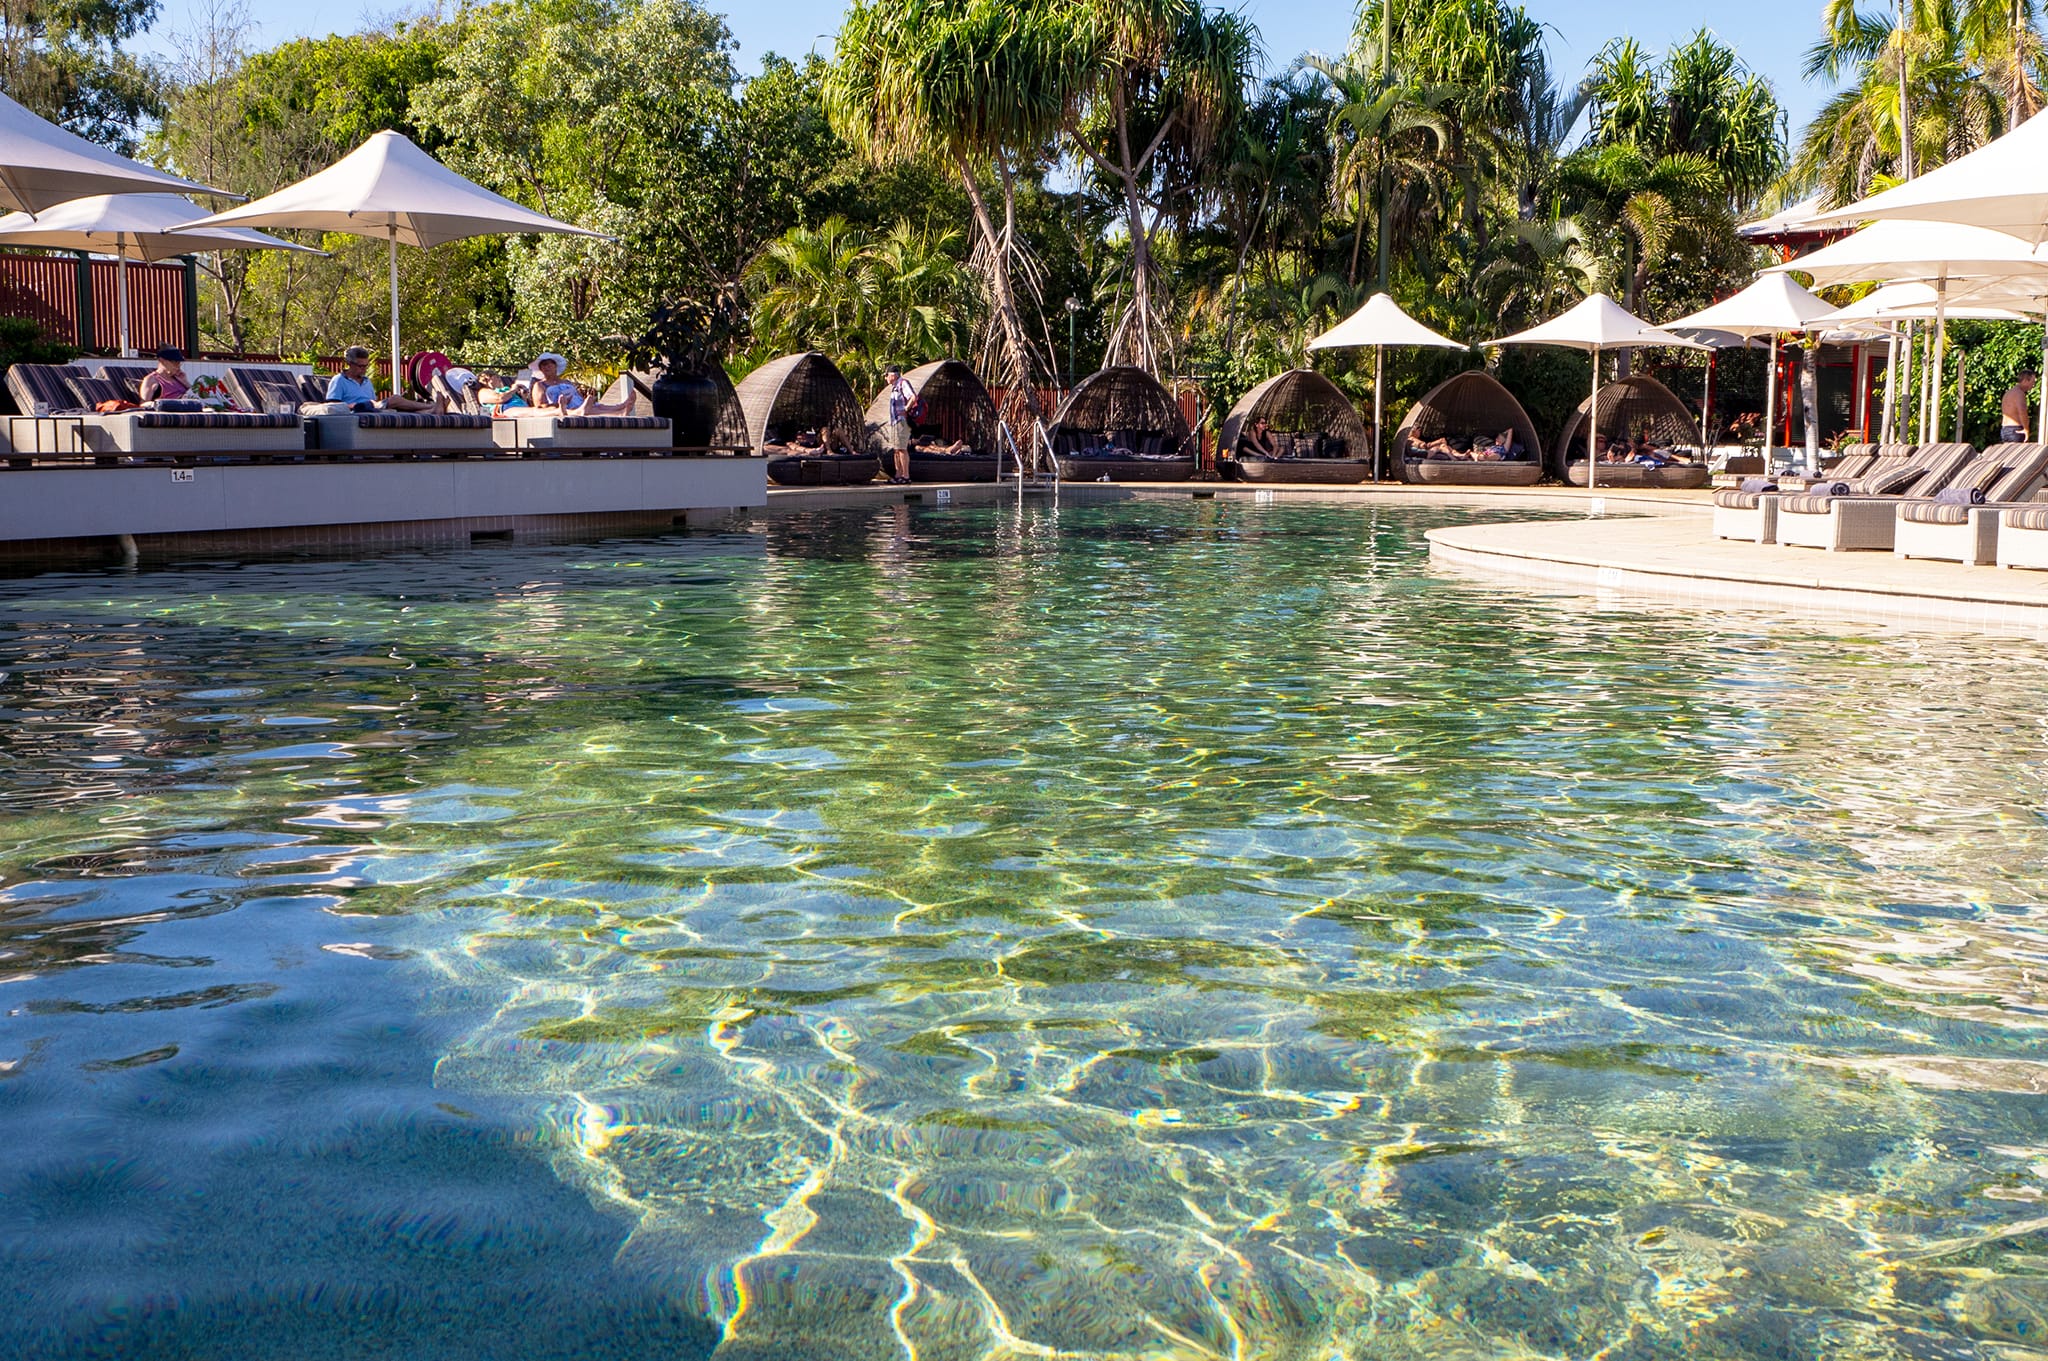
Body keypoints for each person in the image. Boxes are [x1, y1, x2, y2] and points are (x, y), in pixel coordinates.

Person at [327, 346, 438, 412]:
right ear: (349, 363)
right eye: (361, 366)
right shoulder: (339, 381)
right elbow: (332, 407)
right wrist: (357, 406)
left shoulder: (366, 381)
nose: (364, 369)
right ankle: (432, 405)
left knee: (406, 411)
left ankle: (432, 410)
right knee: (395, 399)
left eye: (366, 366)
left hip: (372, 410)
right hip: (358, 411)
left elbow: (373, 401)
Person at [880, 364, 915, 483]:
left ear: (893, 375)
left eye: (886, 375)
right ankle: (898, 474)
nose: (885, 378)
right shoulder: (894, 387)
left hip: (902, 421)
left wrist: (905, 409)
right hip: (895, 421)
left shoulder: (902, 383)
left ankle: (906, 476)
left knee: (902, 449)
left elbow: (913, 397)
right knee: (896, 449)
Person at [2001, 370, 2036, 442]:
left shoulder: (2008, 393)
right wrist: (2026, 429)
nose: (2033, 385)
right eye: (2032, 382)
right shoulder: (2019, 394)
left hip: (2005, 429)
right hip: (2016, 430)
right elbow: (2022, 412)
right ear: (2025, 380)